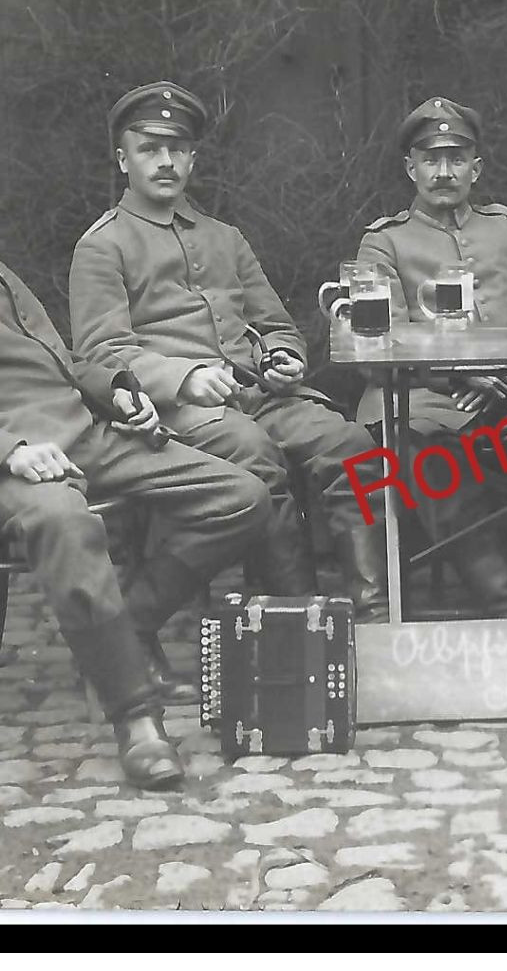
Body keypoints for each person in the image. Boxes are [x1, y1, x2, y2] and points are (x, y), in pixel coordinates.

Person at [0, 128, 270, 790]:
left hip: (83, 436)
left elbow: (66, 364)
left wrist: (123, 391)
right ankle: (136, 720)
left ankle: (125, 623)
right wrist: (10, 451)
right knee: (68, 523)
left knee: (242, 495)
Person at [70, 81, 388, 623]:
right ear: (123, 159)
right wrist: (184, 377)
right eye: (149, 149)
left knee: (352, 444)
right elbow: (102, 354)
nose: (165, 162)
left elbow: (276, 325)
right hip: (178, 412)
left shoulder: (226, 238)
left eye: (177, 149)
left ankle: (376, 614)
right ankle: (298, 621)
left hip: (259, 396)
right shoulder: (102, 245)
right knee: (254, 453)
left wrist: (284, 357)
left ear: (193, 157)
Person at [354, 96, 507, 616]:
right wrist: (460, 370)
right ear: (409, 167)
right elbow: (378, 340)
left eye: (456, 159)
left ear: (475, 168)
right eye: (430, 159)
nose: (443, 171)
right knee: (431, 457)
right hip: (422, 397)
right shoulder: (384, 243)